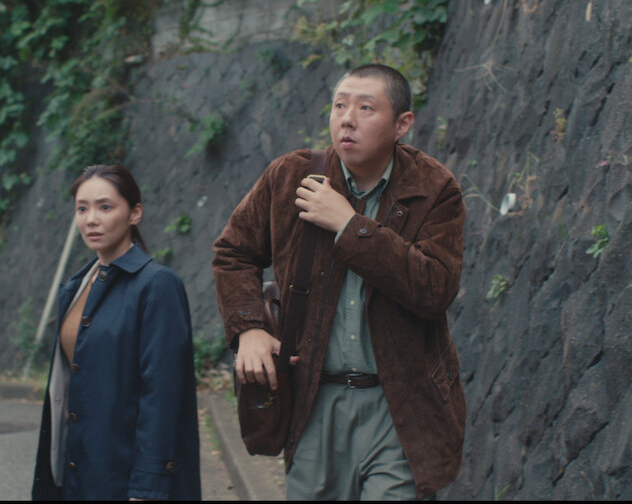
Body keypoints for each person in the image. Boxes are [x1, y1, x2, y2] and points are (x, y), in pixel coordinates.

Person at [212, 63, 466, 500]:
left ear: (402, 123)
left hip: (400, 406)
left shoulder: (433, 187)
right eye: (339, 105)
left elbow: (435, 288)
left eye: (366, 108)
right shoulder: (289, 176)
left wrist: (350, 226)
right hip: (314, 400)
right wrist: (248, 328)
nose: (347, 119)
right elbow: (233, 251)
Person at [32, 164, 202, 501]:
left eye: (105, 207)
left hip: (126, 475)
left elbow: (162, 395)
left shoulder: (157, 286)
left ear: (135, 213)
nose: (91, 219)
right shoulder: (77, 287)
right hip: (79, 466)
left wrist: (147, 487)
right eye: (82, 209)